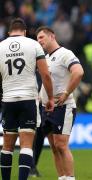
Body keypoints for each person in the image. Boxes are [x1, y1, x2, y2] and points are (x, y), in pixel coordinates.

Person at [0, 18, 54, 180]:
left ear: (9, 32)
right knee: (26, 144)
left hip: (8, 99)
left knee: (7, 146)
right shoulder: (34, 45)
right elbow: (45, 74)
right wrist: (50, 98)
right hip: (28, 99)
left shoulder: (0, 46)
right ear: (24, 32)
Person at [36, 26, 84, 180]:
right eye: (38, 39)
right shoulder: (46, 58)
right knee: (54, 147)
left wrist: (66, 93)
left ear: (52, 36)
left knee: (61, 145)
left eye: (42, 37)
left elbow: (78, 72)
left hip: (64, 106)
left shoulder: (65, 54)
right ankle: (62, 177)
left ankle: (70, 177)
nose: (39, 41)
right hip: (46, 107)